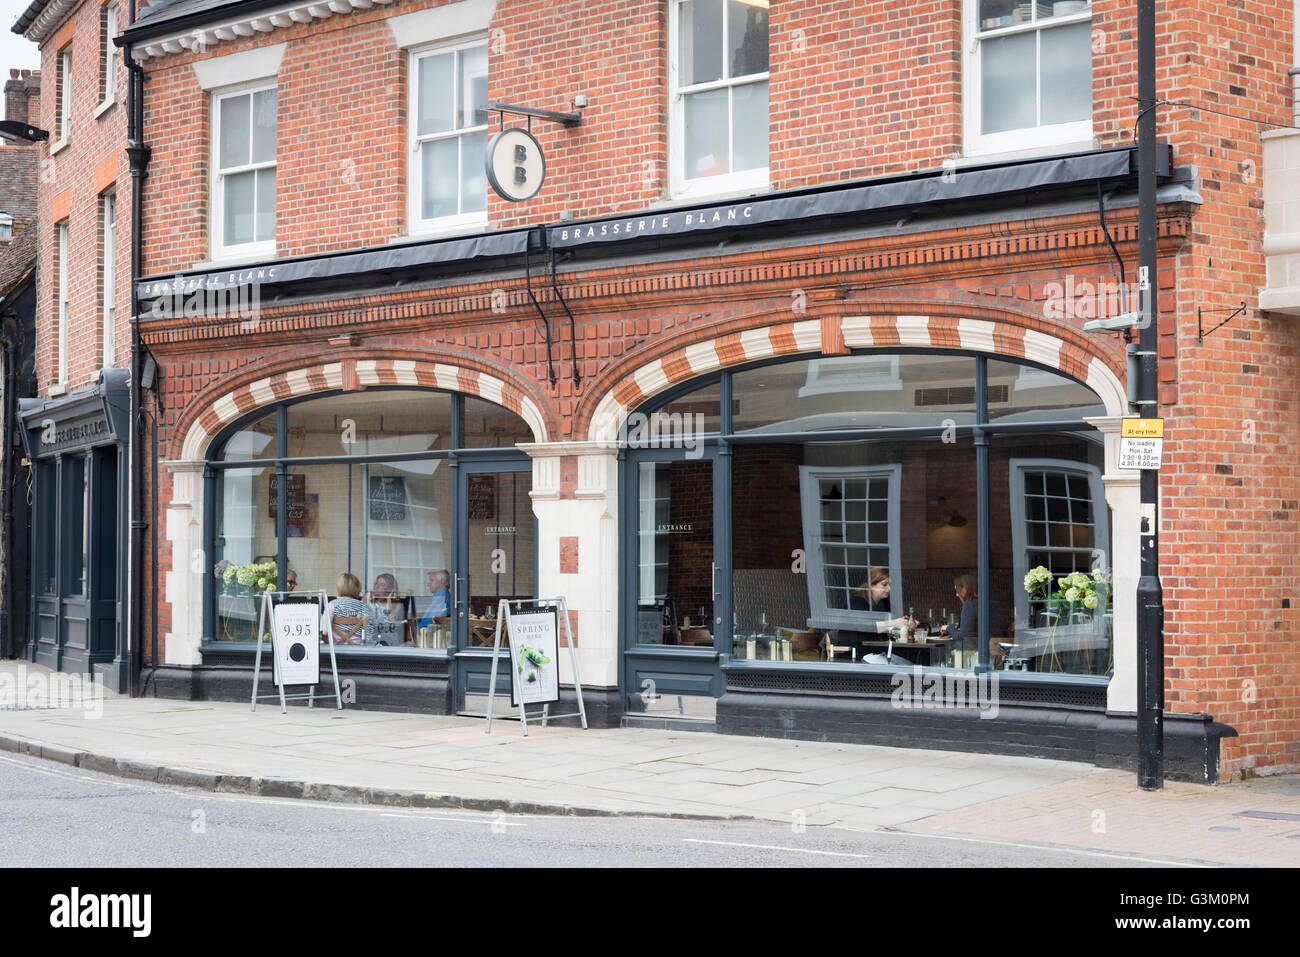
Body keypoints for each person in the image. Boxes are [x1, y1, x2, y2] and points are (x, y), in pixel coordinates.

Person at [940, 573, 1006, 651]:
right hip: (999, 656)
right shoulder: (995, 605)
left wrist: (948, 628)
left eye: (957, 590)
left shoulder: (969, 606)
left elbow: (962, 637)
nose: (957, 594)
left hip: (980, 655)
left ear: (965, 589)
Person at [849, 567, 915, 633]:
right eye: (884, 584)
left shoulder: (884, 601)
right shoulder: (856, 601)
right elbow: (865, 626)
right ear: (871, 584)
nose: (889, 588)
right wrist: (895, 623)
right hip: (853, 642)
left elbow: (892, 623)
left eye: (890, 584)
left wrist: (906, 622)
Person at [324, 572, 369, 645]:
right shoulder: (364, 606)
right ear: (357, 588)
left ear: (339, 588)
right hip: (358, 649)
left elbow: (325, 630)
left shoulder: (332, 605)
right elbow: (370, 631)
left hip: (336, 650)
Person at [368, 573, 406, 645]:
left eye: (382, 585)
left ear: (390, 589)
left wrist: (389, 601)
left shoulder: (396, 605)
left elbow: (392, 625)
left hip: (388, 638)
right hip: (371, 636)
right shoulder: (368, 598)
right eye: (377, 584)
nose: (377, 587)